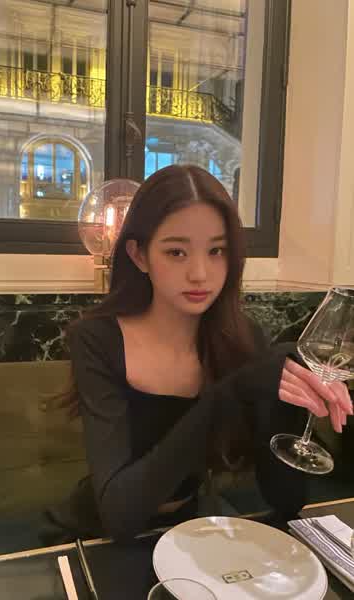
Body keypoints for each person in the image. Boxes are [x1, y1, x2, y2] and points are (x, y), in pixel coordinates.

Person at [50, 164, 352, 543]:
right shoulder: (98, 340)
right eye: (176, 252)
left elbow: (286, 502)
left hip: (190, 530)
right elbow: (120, 514)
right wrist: (230, 393)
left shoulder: (240, 338)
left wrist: (288, 403)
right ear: (139, 255)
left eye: (216, 251)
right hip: (95, 536)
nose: (200, 273)